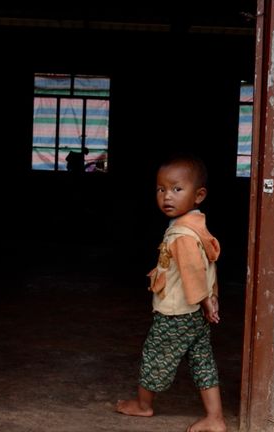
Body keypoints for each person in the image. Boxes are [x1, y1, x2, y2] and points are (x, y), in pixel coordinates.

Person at [116, 153, 226, 432]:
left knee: (155, 357)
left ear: (199, 195)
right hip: (196, 314)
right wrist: (211, 300)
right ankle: (215, 418)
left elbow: (192, 273)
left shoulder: (181, 235)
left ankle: (143, 405)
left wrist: (205, 300)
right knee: (202, 360)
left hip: (177, 313)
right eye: (161, 189)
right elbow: (207, 267)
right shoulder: (196, 224)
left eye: (177, 189)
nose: (167, 196)